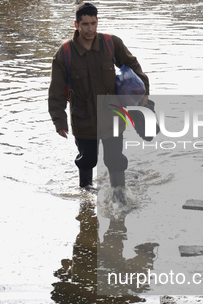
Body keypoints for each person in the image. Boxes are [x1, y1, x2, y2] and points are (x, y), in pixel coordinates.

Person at [48, 2, 150, 189]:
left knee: (115, 160)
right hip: (82, 119)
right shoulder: (65, 53)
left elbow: (133, 66)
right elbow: (56, 91)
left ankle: (119, 196)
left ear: (97, 22)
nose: (90, 29)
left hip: (113, 116)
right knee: (87, 160)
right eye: (85, 24)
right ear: (76, 25)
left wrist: (143, 92)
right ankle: (85, 198)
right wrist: (59, 121)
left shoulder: (111, 43)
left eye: (93, 23)